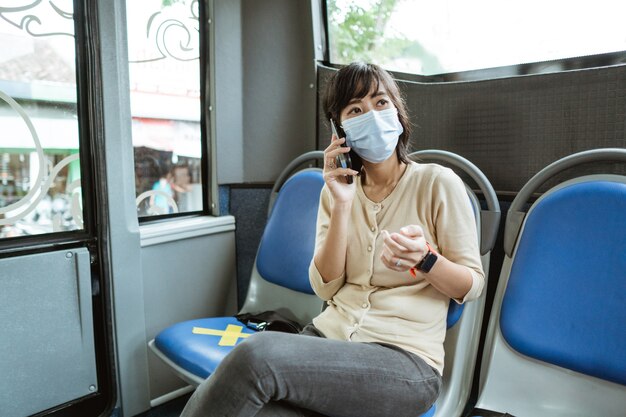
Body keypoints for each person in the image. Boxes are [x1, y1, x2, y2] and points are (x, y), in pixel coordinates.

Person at [180, 62, 484, 417]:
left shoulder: (437, 182)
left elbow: (471, 285)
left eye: (381, 103)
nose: (371, 115)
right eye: (356, 109)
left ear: (398, 113)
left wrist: (426, 259)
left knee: (256, 355)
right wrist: (342, 205)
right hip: (327, 343)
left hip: (405, 364)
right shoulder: (336, 192)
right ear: (340, 129)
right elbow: (325, 288)